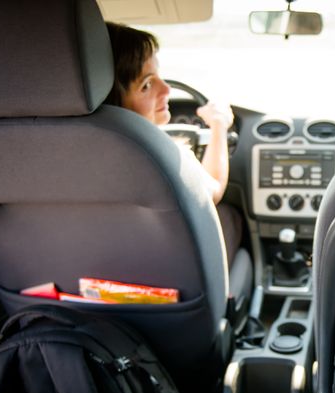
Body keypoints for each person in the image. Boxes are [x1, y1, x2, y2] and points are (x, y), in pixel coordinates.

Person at [104, 21, 243, 266]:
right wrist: (219, 126)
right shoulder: (165, 158)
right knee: (229, 217)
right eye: (146, 84)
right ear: (110, 97)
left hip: (70, 293)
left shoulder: (36, 155)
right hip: (165, 295)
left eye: (159, 76)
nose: (166, 89)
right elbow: (214, 191)